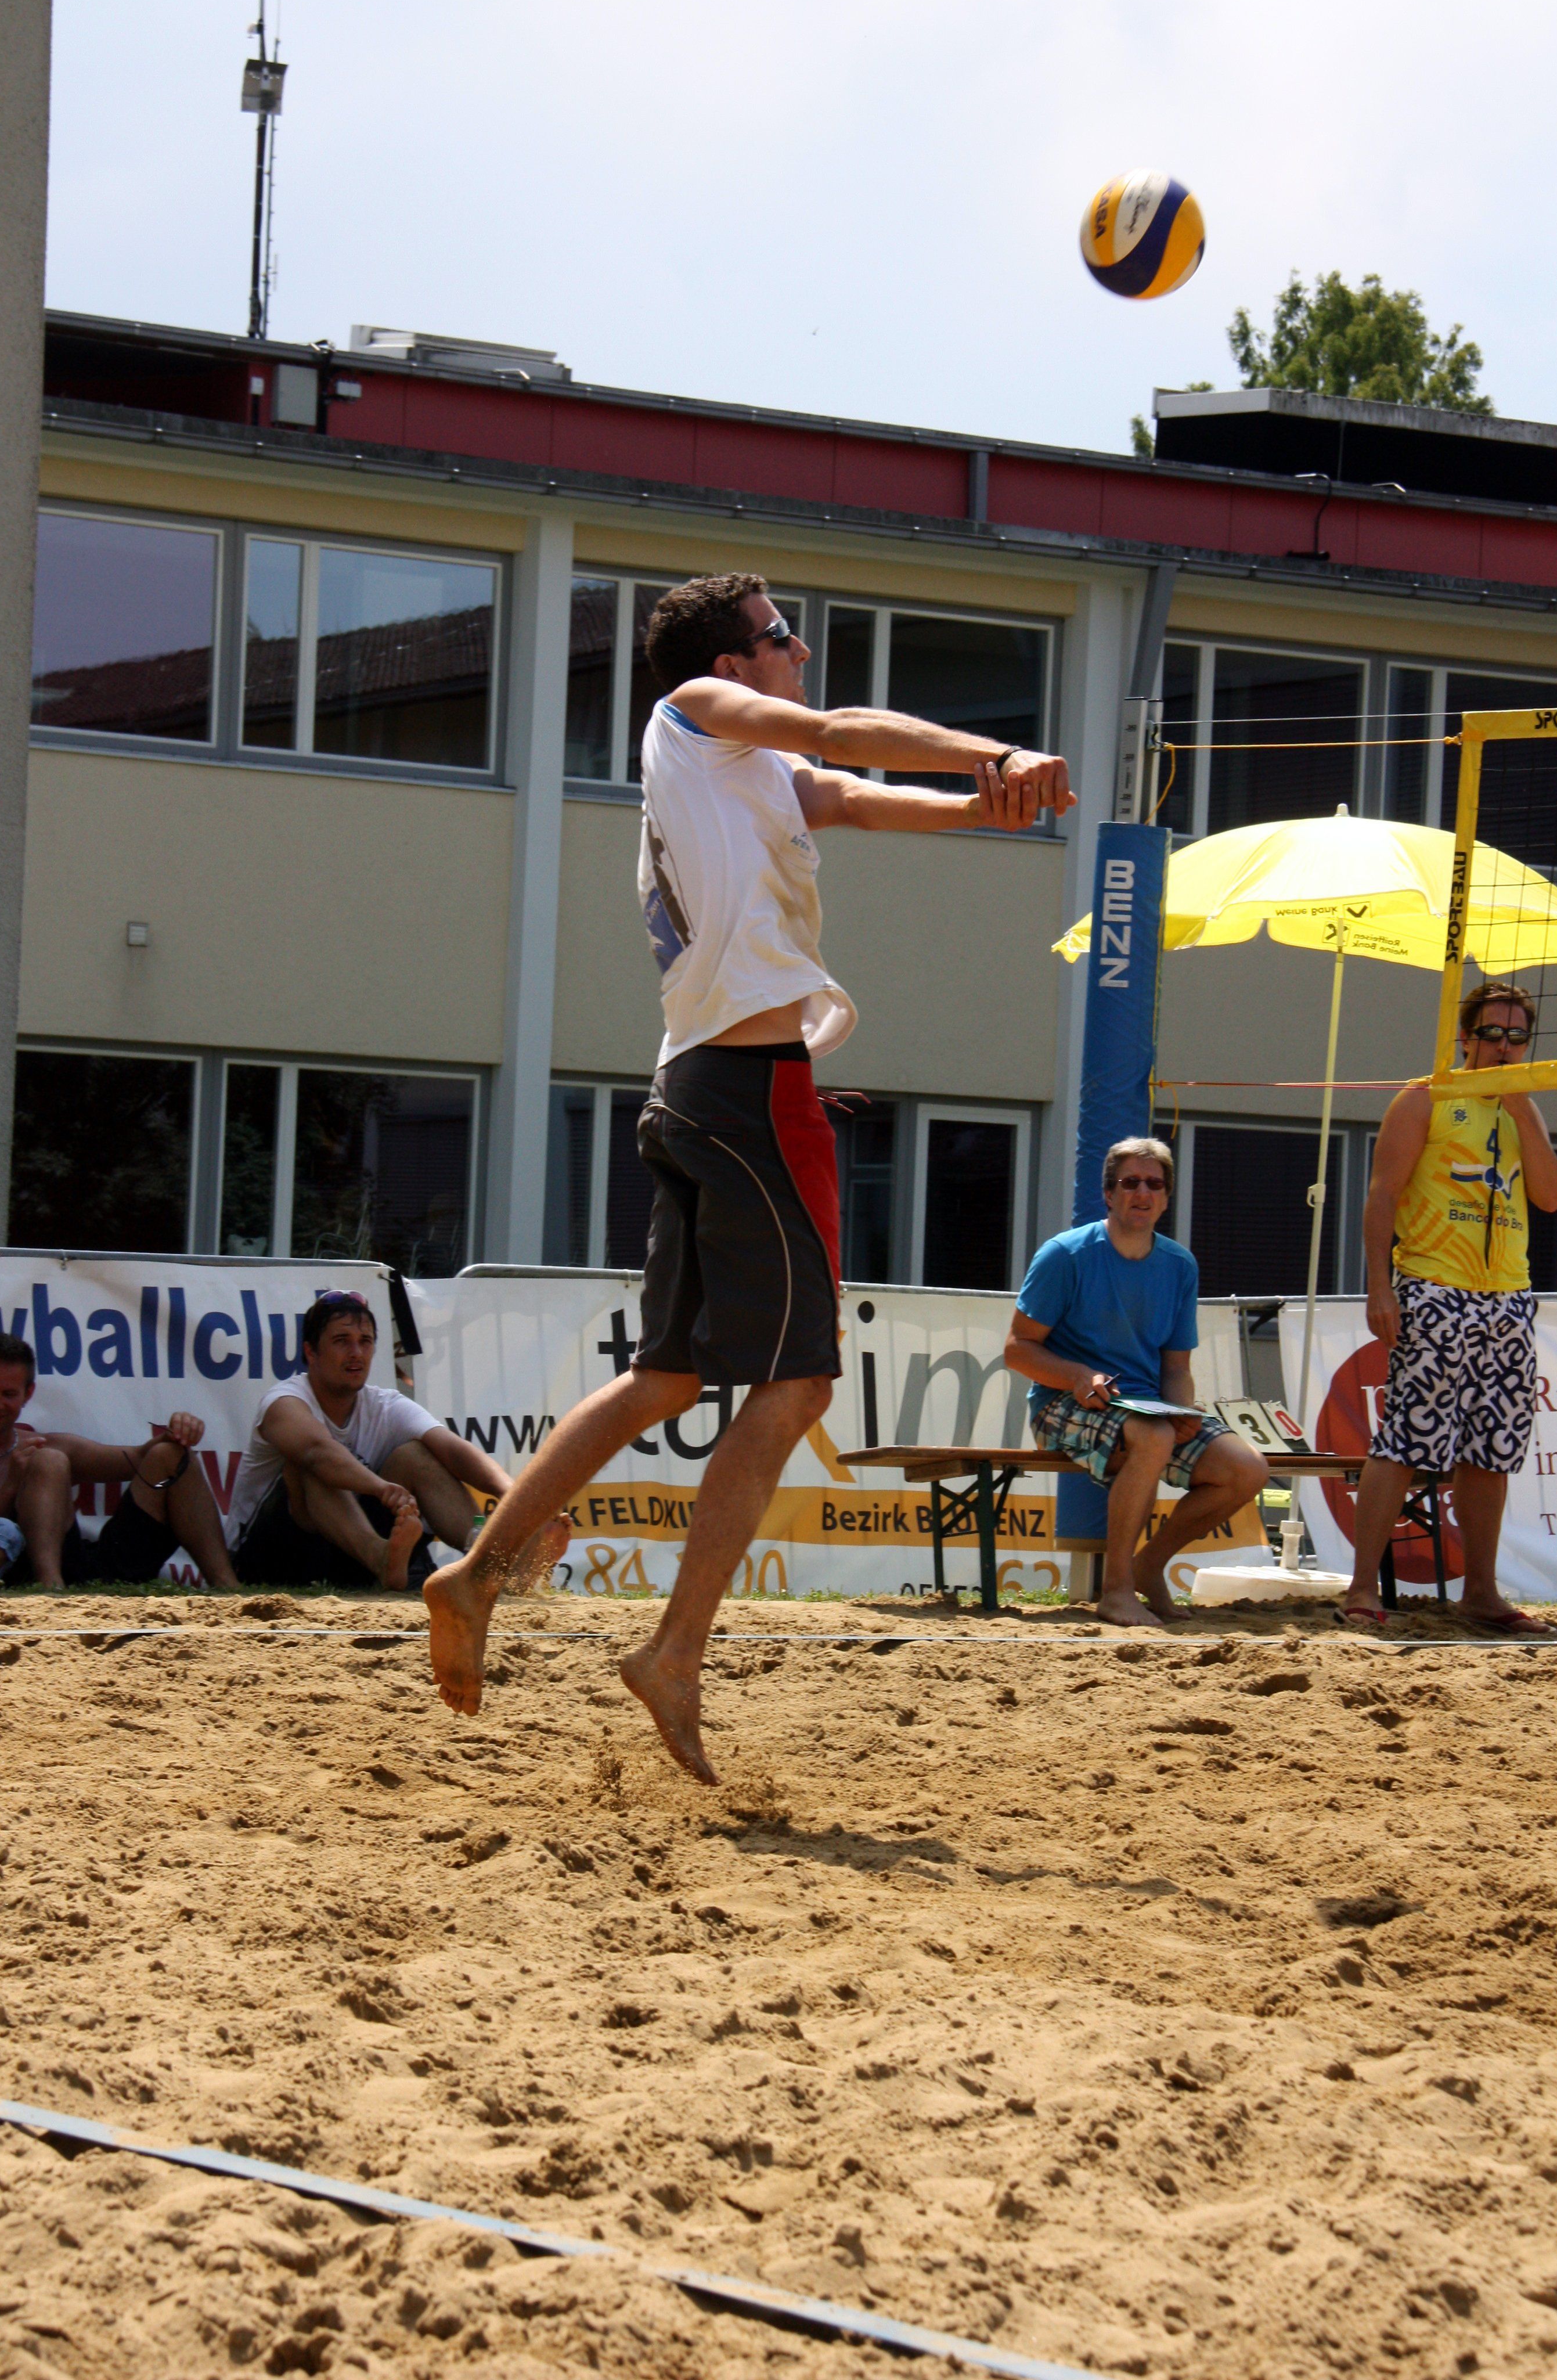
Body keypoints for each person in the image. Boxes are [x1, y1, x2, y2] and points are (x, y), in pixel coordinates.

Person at [426, 569, 1075, 1778]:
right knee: (797, 1386)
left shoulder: (747, 772)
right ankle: (673, 1651)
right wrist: (996, 750)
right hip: (746, 1094)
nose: (800, 650)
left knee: (666, 1377)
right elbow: (838, 733)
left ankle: (475, 1574)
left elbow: (852, 792)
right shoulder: (692, 708)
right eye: (782, 635)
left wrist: (980, 805)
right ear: (730, 667)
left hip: (699, 1085)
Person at [1342, 980, 1557, 1634]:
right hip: (1434, 1289)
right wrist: (1379, 1287)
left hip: (1507, 1298)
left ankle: (1481, 1593)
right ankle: (1361, 1589)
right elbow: (1381, 1196)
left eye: (1517, 1037)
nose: (1504, 1046)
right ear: (1465, 1039)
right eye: (1492, 1034)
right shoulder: (1425, 1098)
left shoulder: (1523, 1109)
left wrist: (1520, 1105)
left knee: (1492, 1450)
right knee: (1405, 1441)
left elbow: (1551, 1196)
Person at [1003, 1138, 1268, 1629]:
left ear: (1166, 1198)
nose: (1142, 1193)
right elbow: (1018, 1349)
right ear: (1109, 1194)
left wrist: (1183, 1412)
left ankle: (1151, 1564)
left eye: (1154, 1184)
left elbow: (1177, 1368)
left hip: (1149, 1410)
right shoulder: (1064, 1255)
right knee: (1154, 1436)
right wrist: (1078, 1375)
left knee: (1248, 1469)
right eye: (1130, 1183)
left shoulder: (1179, 1264)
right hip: (1061, 1404)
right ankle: (1117, 1591)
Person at [226, 1290, 556, 1591]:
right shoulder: (283, 1402)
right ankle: (382, 1558)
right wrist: (381, 1488)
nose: (356, 1353)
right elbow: (318, 1452)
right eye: (342, 1341)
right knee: (313, 1467)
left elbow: (453, 1449)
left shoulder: (384, 1404)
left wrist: (518, 1496)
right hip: (268, 1559)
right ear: (311, 1352)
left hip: (343, 1557)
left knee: (415, 1456)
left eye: (365, 1342)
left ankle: (492, 1564)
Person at [0, 1331, 238, 1592]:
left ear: (28, 1394)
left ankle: (228, 1587)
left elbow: (139, 1458)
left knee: (171, 1455)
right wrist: (11, 1487)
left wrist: (178, 1431)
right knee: (48, 1461)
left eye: (9, 1394)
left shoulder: (44, 1443)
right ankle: (50, 1590)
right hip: (23, 1575)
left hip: (88, 1568)